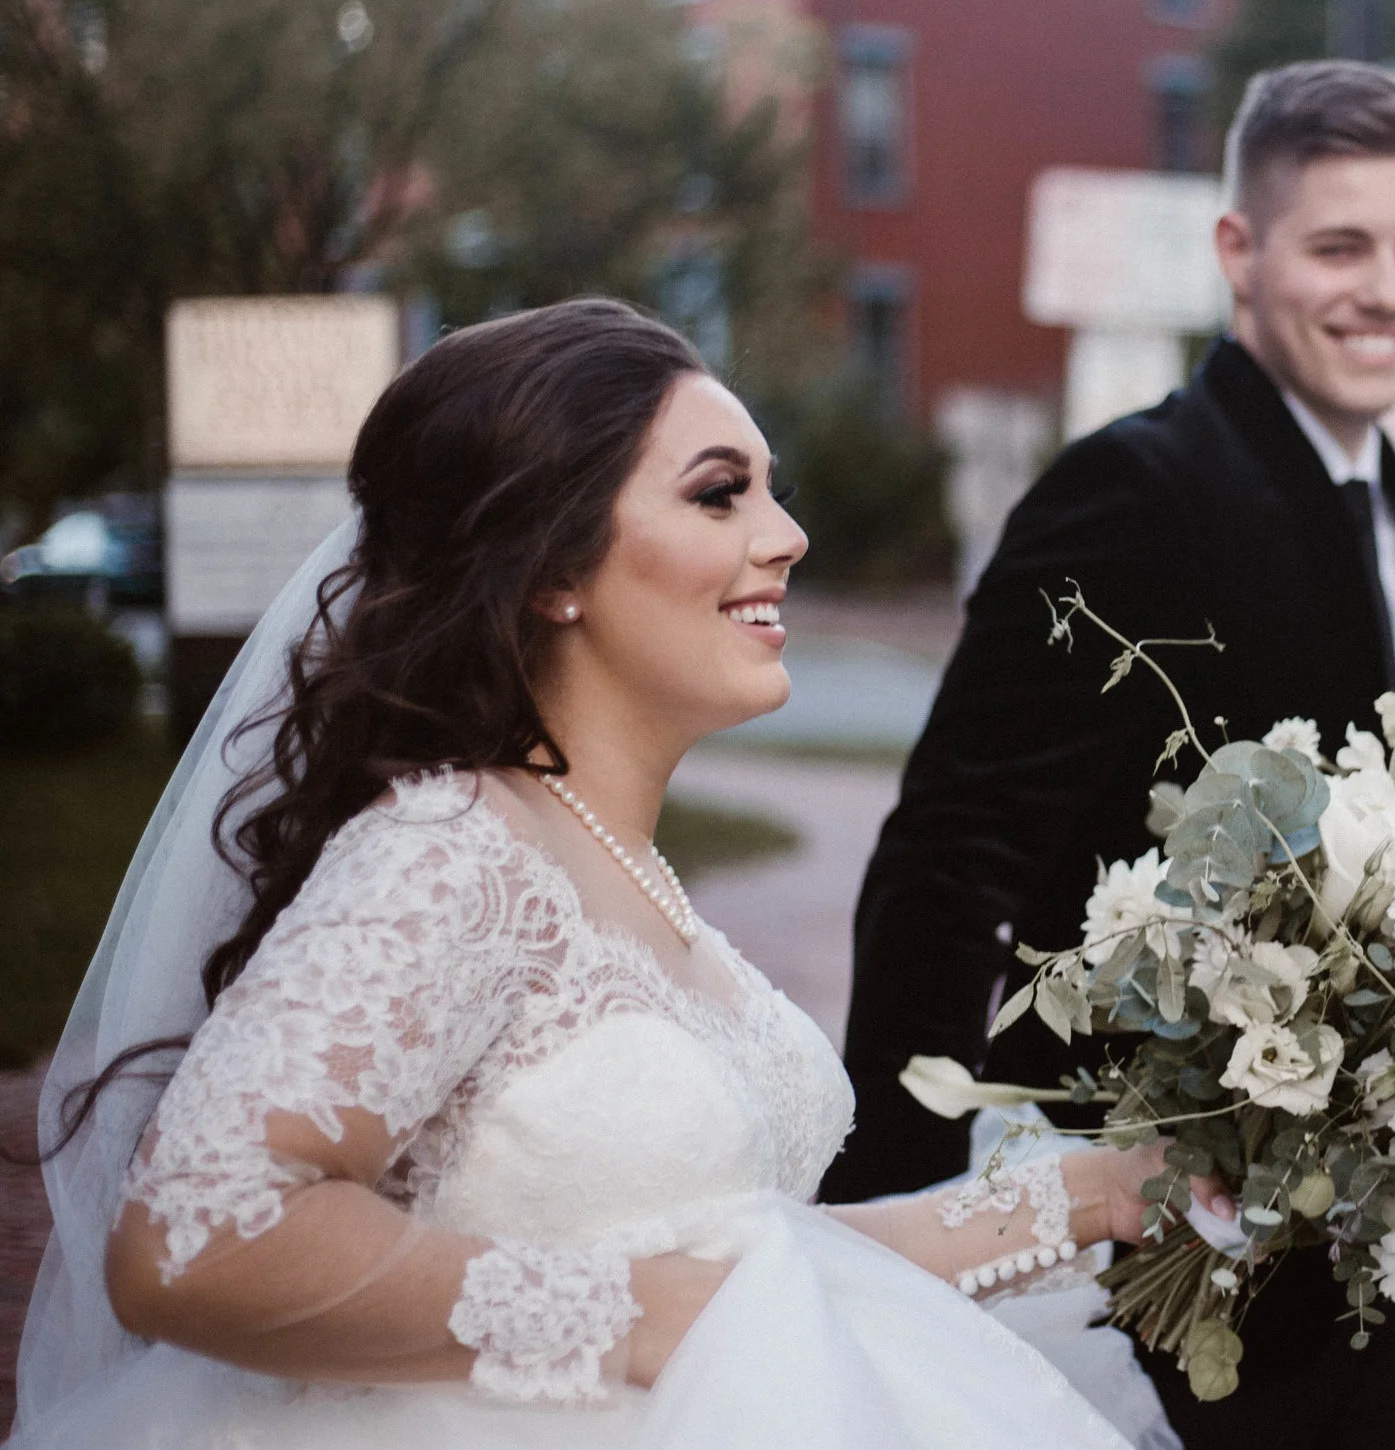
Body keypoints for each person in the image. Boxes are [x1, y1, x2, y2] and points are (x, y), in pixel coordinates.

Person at [11, 300, 1222, 1449]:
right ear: (554, 566)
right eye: (718, 494)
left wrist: (1105, 1191)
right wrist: (639, 1315)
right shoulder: (448, 852)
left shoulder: (617, 861)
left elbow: (761, 1263)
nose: (786, 535)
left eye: (772, 492)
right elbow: (194, 1234)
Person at [829, 60, 1395, 1448]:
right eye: (1339, 245)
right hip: (1177, 1227)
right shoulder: (1131, 492)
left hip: (1370, 1224)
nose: (1387, 289)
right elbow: (950, 855)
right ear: (1238, 254)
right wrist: (890, 1243)